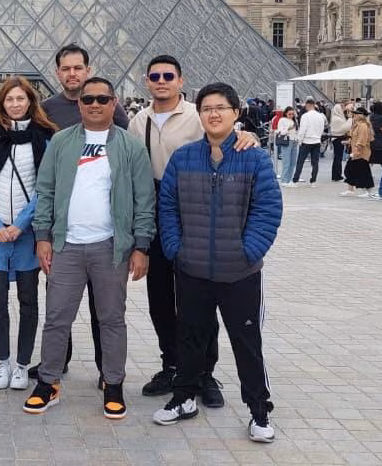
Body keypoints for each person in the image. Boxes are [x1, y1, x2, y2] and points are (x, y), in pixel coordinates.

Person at [153, 82, 281, 444]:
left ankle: (259, 411)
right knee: (190, 337)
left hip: (239, 271)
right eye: (206, 108)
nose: (213, 114)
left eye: (221, 108)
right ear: (199, 114)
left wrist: (248, 251)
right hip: (192, 267)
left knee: (247, 342)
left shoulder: (254, 158)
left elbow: (268, 209)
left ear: (235, 113)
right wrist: (176, 249)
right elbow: (168, 207)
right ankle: (184, 398)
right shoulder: (183, 158)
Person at [127, 55, 256, 406]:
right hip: (156, 211)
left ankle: (203, 373)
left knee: (200, 300)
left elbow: (227, 138)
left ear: (181, 81)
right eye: (155, 76)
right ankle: (171, 364)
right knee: (160, 298)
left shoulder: (197, 116)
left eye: (168, 76)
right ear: (147, 81)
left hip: (197, 211)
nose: (161, 81)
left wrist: (247, 136)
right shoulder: (138, 121)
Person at [24, 77, 154, 418]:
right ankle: (48, 382)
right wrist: (42, 236)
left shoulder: (131, 146)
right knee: (56, 319)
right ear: (79, 104)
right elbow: (46, 190)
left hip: (111, 247)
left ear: (114, 103)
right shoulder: (61, 141)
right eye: (88, 99)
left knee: (111, 319)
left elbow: (144, 201)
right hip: (66, 245)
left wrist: (141, 247)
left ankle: (113, 383)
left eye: (102, 99)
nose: (95, 104)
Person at [33, 44, 129, 381]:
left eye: (78, 68)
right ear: (57, 72)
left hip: (104, 231)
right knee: (60, 306)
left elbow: (126, 156)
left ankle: (107, 370)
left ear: (88, 70)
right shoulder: (46, 110)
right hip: (65, 226)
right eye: (66, 68)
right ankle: (58, 363)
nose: (72, 73)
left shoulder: (112, 109)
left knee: (105, 310)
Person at [0, 77, 54, 391]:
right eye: (9, 99)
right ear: (1, 104)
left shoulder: (44, 138)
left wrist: (20, 225)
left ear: (30, 102)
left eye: (20, 98)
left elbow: (43, 188)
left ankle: (22, 365)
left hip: (26, 232)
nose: (15, 104)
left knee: (28, 300)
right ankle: (2, 362)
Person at [289, 99, 326, 187]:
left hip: (306, 141)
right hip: (317, 141)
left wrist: (300, 140)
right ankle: (313, 181)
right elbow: (322, 128)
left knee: (300, 162)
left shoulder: (305, 116)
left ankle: (295, 180)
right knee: (315, 162)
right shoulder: (321, 116)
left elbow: (302, 130)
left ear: (308, 105)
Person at [340, 108, 374, 196]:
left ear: (360, 115)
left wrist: (357, 151)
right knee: (350, 170)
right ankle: (350, 189)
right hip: (356, 152)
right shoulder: (356, 125)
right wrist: (348, 142)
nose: (354, 115)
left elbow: (362, 139)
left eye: (356, 114)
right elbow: (354, 137)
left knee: (362, 172)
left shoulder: (363, 126)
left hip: (361, 153)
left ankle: (368, 191)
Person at [328, 100, 352, 182]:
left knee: (337, 157)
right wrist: (350, 119)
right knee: (338, 158)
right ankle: (337, 176)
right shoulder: (337, 119)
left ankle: (336, 175)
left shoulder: (337, 117)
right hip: (338, 139)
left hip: (338, 138)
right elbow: (345, 128)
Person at [274, 108, 298, 185]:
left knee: (293, 162)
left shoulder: (294, 120)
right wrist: (289, 129)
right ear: (285, 113)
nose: (291, 115)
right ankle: (284, 180)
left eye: (292, 114)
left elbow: (296, 131)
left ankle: (289, 180)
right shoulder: (282, 120)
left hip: (294, 141)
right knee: (286, 162)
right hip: (287, 141)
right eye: (289, 114)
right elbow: (280, 132)